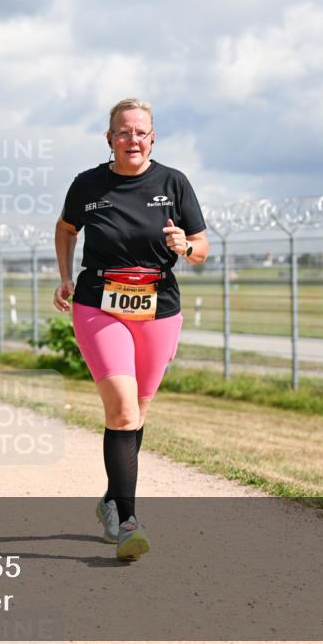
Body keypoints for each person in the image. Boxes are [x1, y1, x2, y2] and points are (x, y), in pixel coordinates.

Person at [53, 98, 209, 561]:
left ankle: (110, 500)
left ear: (153, 138)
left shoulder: (173, 183)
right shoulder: (88, 184)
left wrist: (185, 246)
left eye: (141, 132)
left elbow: (202, 248)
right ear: (110, 138)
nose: (132, 139)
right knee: (121, 410)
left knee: (137, 412)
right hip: (99, 304)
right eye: (124, 132)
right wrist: (65, 275)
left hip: (158, 307)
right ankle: (128, 523)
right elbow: (66, 229)